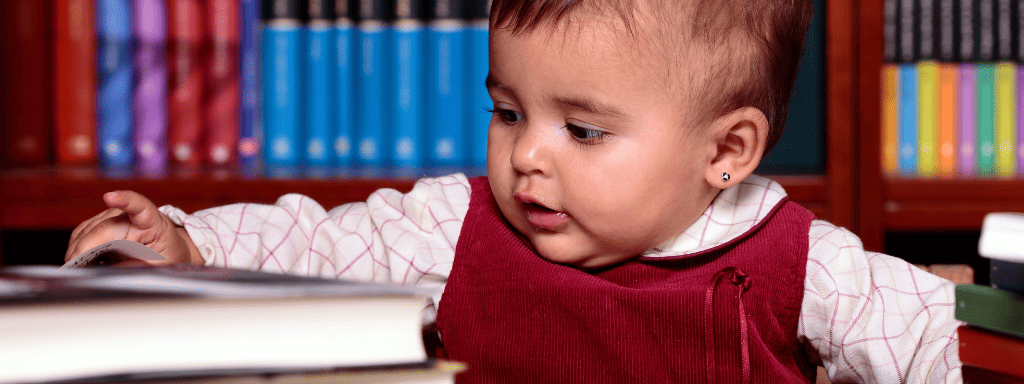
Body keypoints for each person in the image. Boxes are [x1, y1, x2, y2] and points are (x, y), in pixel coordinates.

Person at [66, 0, 963, 382]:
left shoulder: (803, 263)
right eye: (506, 111)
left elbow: (923, 329)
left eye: (582, 130)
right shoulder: (456, 225)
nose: (528, 155)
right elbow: (316, 241)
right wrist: (191, 243)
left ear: (726, 150)